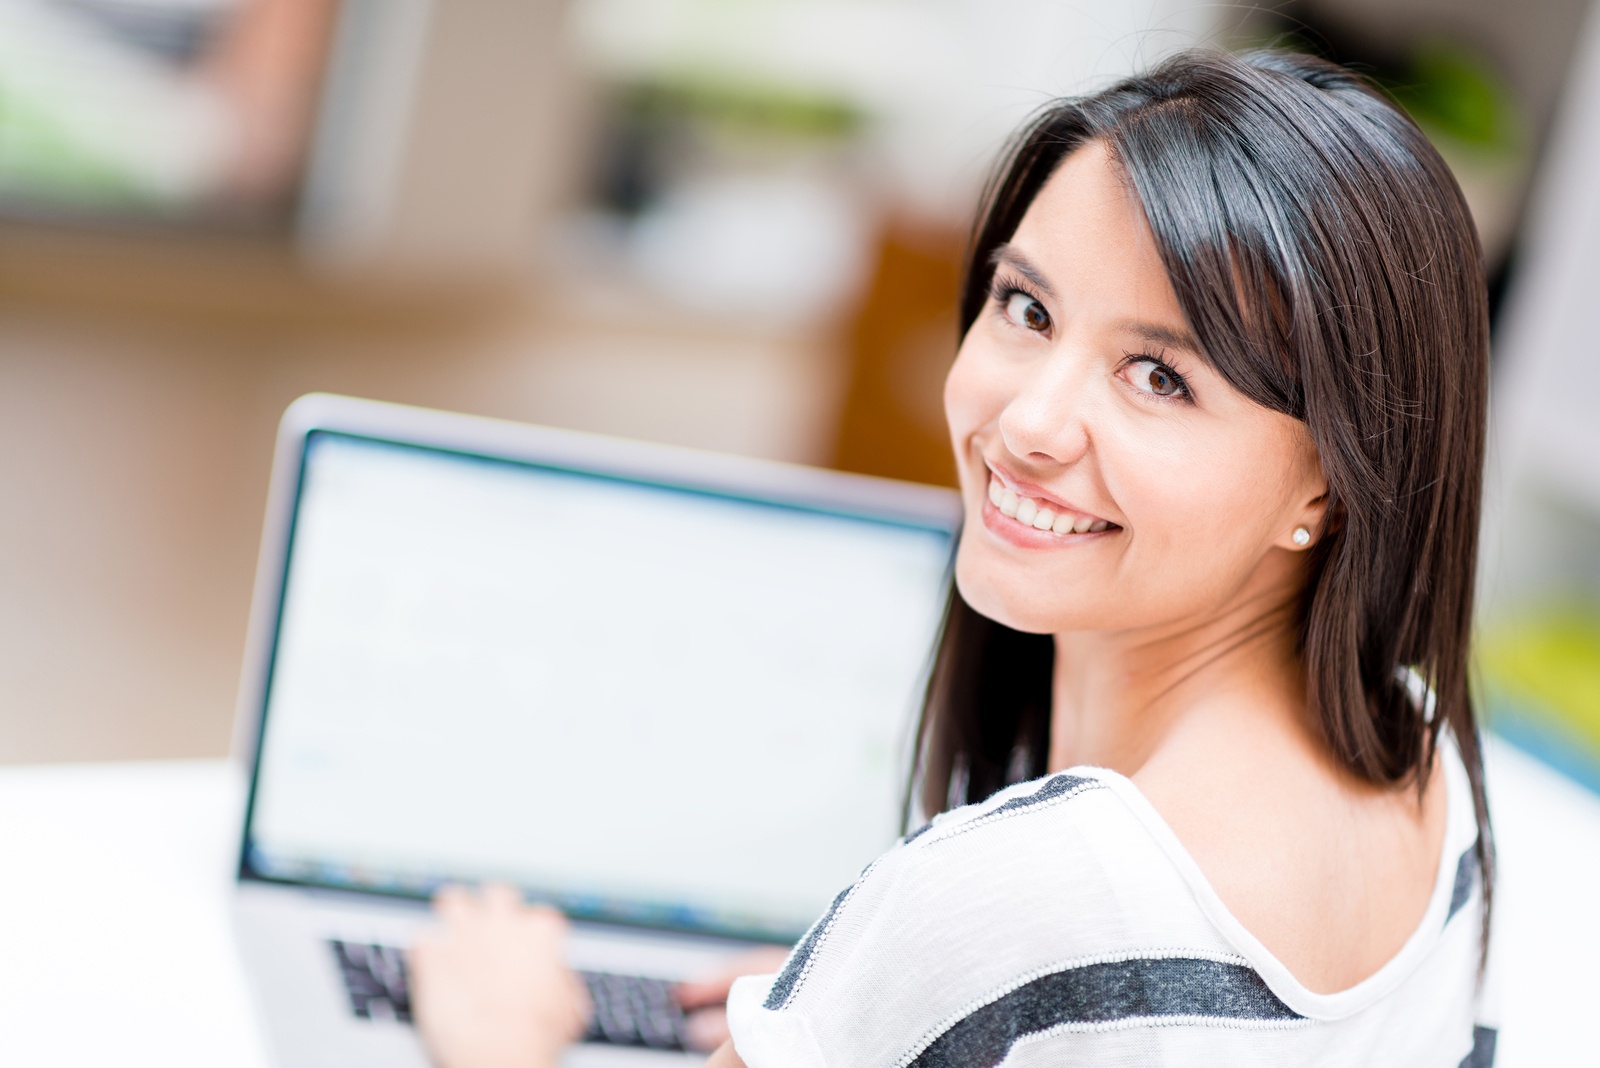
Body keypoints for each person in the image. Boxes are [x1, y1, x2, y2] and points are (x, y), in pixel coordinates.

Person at [408, 48, 1497, 1068]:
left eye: (1159, 377)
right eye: (1025, 307)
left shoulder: (1023, 899)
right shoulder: (1424, 771)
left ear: (1331, 482)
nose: (1028, 420)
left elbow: (1046, 925)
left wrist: (498, 1036)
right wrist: (872, 999)